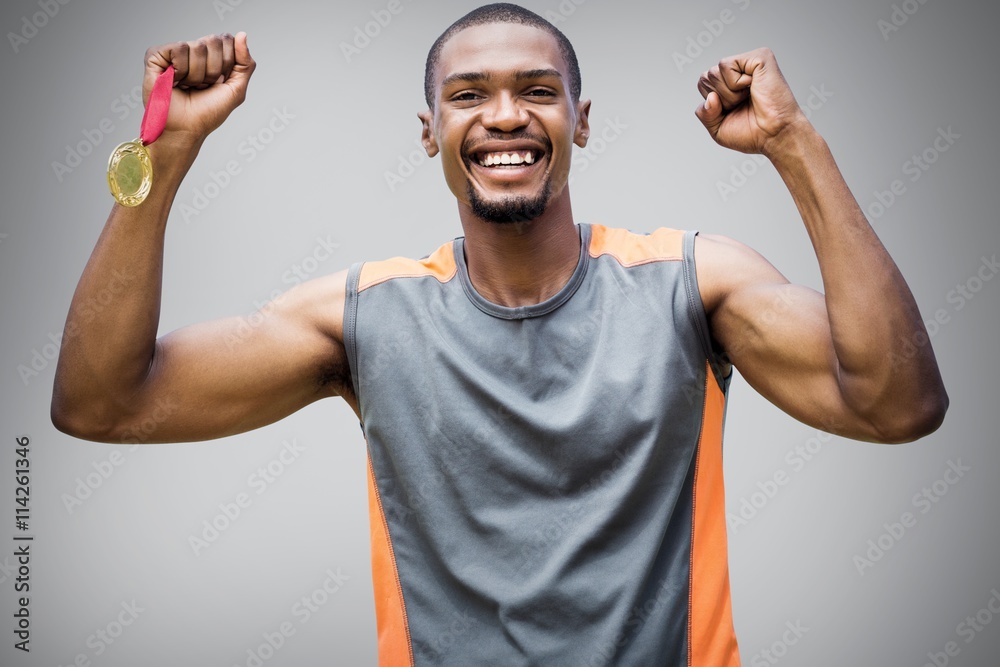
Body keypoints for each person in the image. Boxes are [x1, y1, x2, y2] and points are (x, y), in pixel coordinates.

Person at [51, 3, 948, 665]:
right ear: (431, 130)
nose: (506, 115)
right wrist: (163, 157)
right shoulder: (368, 316)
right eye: (469, 95)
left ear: (580, 123)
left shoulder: (694, 283)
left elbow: (898, 401)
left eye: (539, 91)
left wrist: (794, 141)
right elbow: (101, 401)